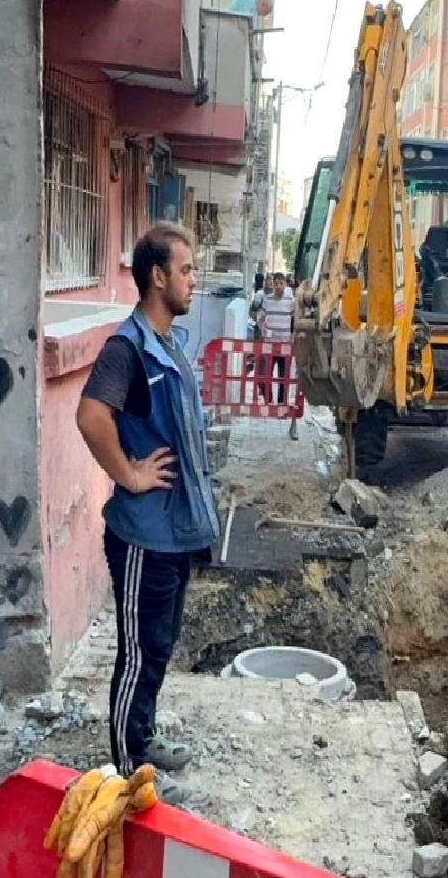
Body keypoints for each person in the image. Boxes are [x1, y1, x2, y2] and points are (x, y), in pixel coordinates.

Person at [76, 222, 219, 800]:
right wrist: (130, 474)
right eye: (185, 270)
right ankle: (126, 772)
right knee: (137, 650)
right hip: (142, 536)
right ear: (157, 277)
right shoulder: (127, 348)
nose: (193, 280)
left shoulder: (170, 347)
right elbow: (90, 417)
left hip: (174, 533)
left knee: (158, 644)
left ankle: (144, 738)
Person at [249, 272, 299, 439]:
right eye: (276, 283)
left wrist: (293, 336)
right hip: (269, 345)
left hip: (285, 345)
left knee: (284, 377)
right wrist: (262, 328)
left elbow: (296, 319)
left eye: (281, 283)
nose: (278, 286)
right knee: (265, 376)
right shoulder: (267, 300)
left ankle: (282, 407)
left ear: (285, 284)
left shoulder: (290, 302)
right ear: (272, 284)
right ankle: (269, 403)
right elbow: (260, 316)